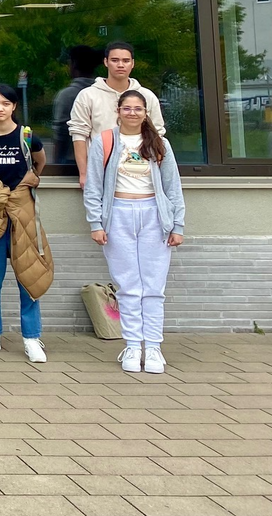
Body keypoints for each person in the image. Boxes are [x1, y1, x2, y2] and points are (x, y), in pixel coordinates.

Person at [84, 90, 186, 374]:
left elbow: (172, 187)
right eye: (126, 108)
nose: (132, 113)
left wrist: (177, 225)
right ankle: (132, 345)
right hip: (118, 215)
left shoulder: (159, 143)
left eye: (137, 108)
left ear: (146, 112)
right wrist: (96, 223)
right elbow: (93, 187)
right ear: (118, 110)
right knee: (128, 286)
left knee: (153, 287)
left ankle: (153, 347)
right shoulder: (104, 141)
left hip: (154, 215)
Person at [0, 84, 53, 364]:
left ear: (14, 106)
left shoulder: (26, 136)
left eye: (5, 103)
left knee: (27, 273)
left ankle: (31, 337)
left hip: (22, 212)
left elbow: (38, 163)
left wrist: (19, 190)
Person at [68, 41, 167, 186]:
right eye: (115, 60)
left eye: (126, 60)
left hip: (139, 172)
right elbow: (79, 135)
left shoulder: (147, 96)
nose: (120, 65)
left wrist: (157, 172)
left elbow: (157, 134)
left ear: (132, 63)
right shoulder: (87, 95)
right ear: (106, 62)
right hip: (101, 172)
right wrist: (84, 174)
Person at [51, 45, 99, 166]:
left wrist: (56, 165)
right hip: (99, 157)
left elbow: (60, 133)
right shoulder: (102, 93)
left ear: (73, 64)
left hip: (70, 159)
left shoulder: (67, 95)